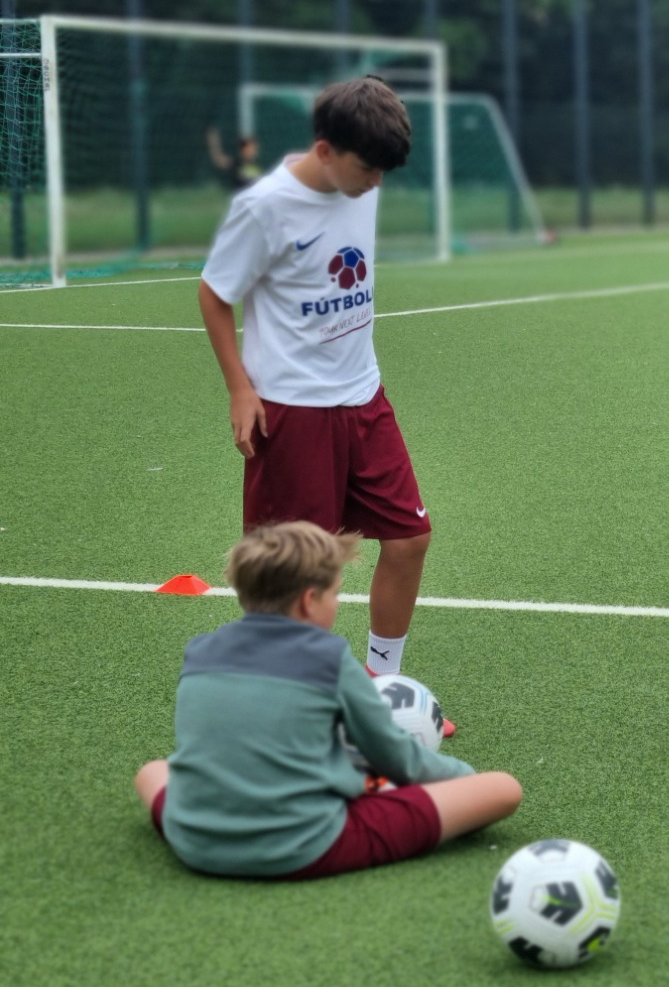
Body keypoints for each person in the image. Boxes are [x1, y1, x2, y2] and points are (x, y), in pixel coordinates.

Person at [194, 75, 447, 727]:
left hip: (364, 397)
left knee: (410, 539)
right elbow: (214, 294)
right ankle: (291, 698)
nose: (377, 184)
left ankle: (382, 687)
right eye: (368, 169)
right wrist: (239, 388)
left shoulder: (359, 179)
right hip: (293, 411)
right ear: (326, 150)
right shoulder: (265, 209)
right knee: (298, 571)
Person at [132, 522, 520, 880]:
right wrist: (467, 776)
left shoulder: (200, 650)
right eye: (335, 594)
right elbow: (398, 757)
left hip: (193, 838)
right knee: (502, 789)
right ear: (308, 601)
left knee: (152, 771)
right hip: (301, 845)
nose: (336, 604)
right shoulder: (327, 658)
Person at [206, 127, 261, 191]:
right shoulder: (236, 164)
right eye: (250, 148)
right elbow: (219, 160)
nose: (253, 151)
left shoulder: (257, 166)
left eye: (255, 148)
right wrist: (214, 143)